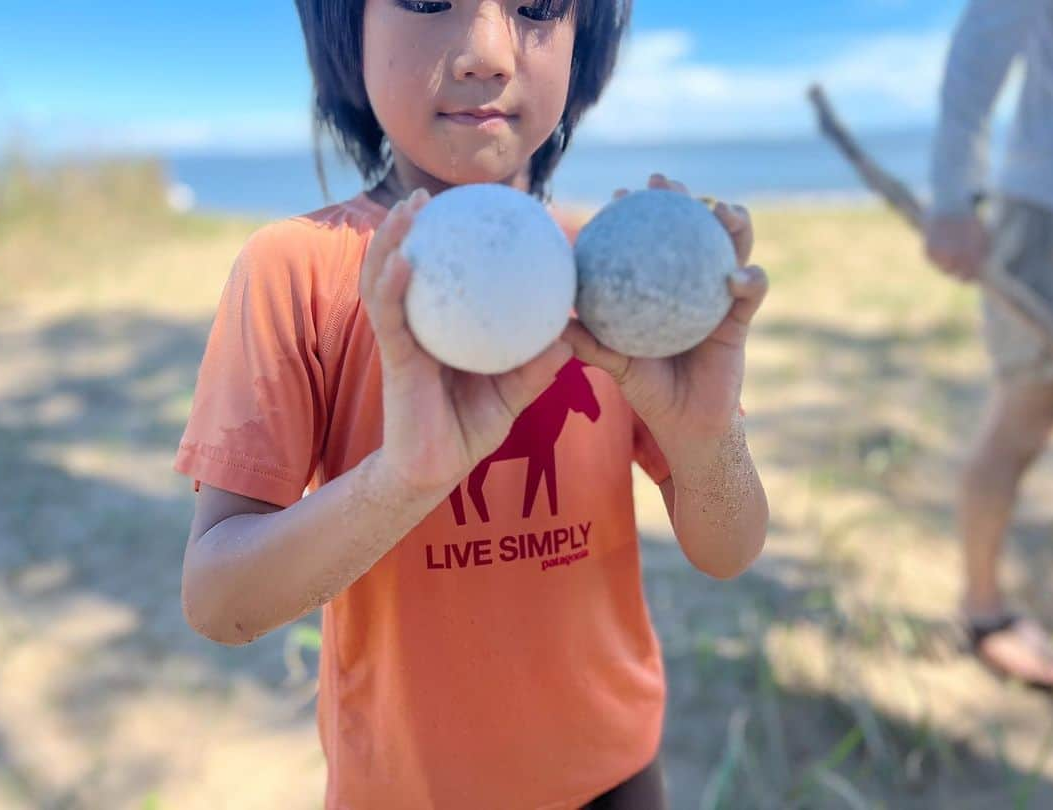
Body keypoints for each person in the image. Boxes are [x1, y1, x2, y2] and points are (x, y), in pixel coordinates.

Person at [173, 1, 770, 807]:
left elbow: (729, 550)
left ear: (582, 38)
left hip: (617, 771)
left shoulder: (610, 279)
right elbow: (220, 602)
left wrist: (706, 441)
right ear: (345, 28)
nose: (488, 50)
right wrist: (401, 482)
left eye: (538, 7)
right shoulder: (299, 270)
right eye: (426, 0)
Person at [924, 0, 1053, 690]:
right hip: (1050, 215)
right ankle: (983, 609)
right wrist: (952, 198)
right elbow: (984, 41)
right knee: (1023, 420)